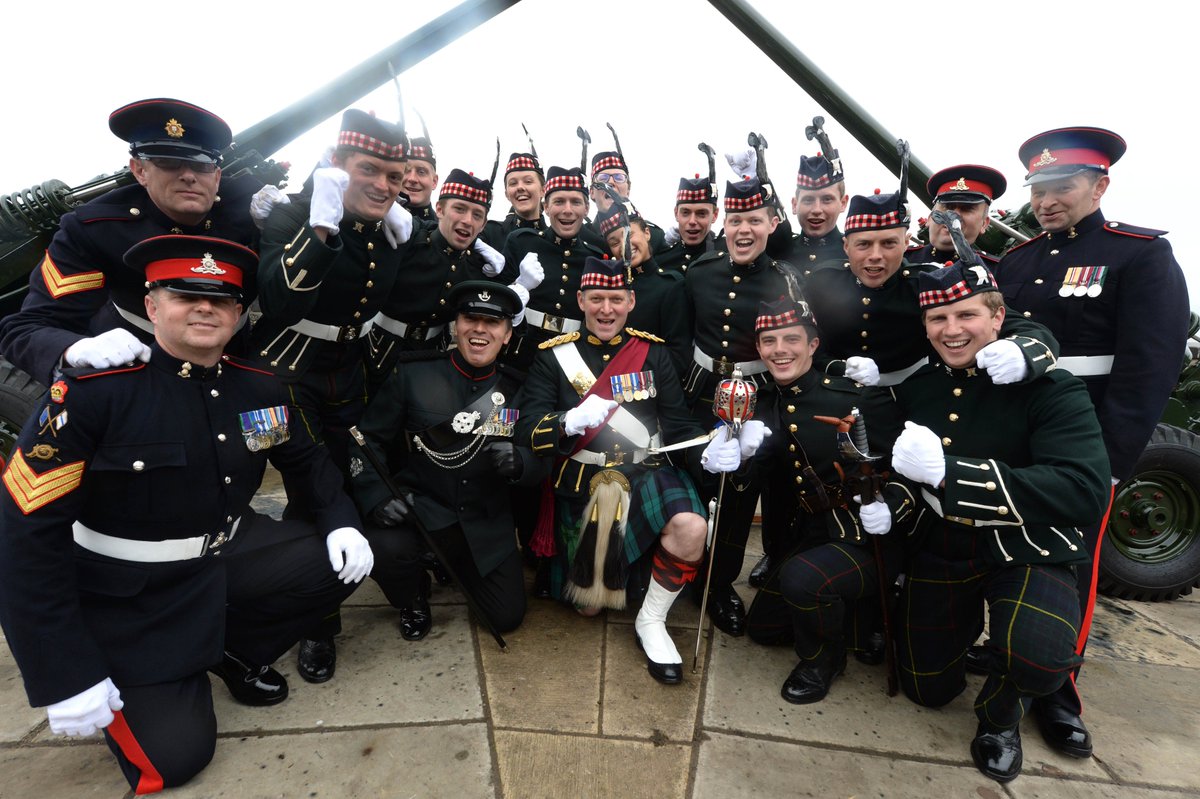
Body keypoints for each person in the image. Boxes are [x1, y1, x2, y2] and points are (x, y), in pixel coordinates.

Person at [0, 235, 373, 794]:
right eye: (185, 295)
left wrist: (341, 519)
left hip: (222, 555)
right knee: (176, 759)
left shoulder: (258, 388)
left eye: (221, 299)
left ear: (238, 314)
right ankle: (158, 663)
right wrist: (64, 672)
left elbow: (307, 461)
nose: (205, 308)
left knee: (339, 564)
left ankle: (227, 649)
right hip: (129, 594)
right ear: (152, 307)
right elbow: (24, 535)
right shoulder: (94, 392)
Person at [995, 126, 1190, 761]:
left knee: (1073, 570)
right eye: (1039, 190)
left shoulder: (1139, 256)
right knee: (1000, 556)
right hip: (1011, 437)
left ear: (1100, 186)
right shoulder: (1018, 260)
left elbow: (1148, 368)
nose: (1047, 201)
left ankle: (1058, 691)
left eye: (1063, 187)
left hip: (1081, 444)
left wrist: (1108, 460)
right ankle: (1004, 662)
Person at [889, 259, 1110, 783]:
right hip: (945, 544)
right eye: (938, 318)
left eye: (966, 315)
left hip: (1027, 546)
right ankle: (971, 635)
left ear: (997, 317)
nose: (952, 330)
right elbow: (896, 468)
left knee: (1039, 656)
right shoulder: (920, 388)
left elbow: (1084, 489)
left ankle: (1003, 716)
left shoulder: (1052, 387)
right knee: (925, 688)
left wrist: (953, 475)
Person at [515, 256, 746, 684]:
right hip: (582, 484)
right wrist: (567, 422)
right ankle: (627, 573)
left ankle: (651, 620)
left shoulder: (654, 354)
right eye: (596, 298)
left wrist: (708, 453)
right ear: (580, 300)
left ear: (631, 301)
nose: (606, 309)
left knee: (692, 527)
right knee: (588, 608)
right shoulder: (554, 357)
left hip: (646, 473)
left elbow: (678, 425)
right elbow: (527, 428)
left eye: (616, 299)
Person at [250, 108, 411, 684]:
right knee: (310, 490)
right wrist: (319, 232)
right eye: (369, 169)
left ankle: (396, 582)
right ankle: (317, 624)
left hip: (352, 370)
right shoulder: (293, 213)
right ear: (337, 163)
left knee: (357, 475)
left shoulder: (387, 229)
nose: (384, 186)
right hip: (287, 374)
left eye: (395, 177)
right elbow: (281, 300)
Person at [0, 97, 262, 385]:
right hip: (140, 373)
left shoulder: (250, 209)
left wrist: (284, 224)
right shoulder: (96, 229)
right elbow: (28, 327)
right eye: (168, 162)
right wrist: (74, 349)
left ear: (217, 176)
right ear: (140, 171)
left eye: (201, 166)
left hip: (239, 368)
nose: (188, 176)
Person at [743, 297, 911, 703]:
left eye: (791, 339)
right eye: (769, 341)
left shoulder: (855, 398)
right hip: (814, 530)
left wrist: (891, 507)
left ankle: (824, 659)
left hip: (867, 535)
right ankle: (851, 615)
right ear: (759, 349)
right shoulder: (765, 400)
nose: (779, 350)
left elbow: (907, 469)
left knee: (802, 580)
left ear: (813, 345)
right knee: (762, 628)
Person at [351, 281, 540, 639]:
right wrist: (376, 497)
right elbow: (368, 439)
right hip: (422, 511)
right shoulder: (413, 373)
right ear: (456, 325)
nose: (480, 330)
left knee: (505, 617)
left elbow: (539, 454)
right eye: (470, 318)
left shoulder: (521, 389)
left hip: (485, 522)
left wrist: (522, 462)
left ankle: (456, 565)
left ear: (507, 335)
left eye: (492, 322)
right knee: (385, 546)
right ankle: (412, 594)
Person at [682, 176, 804, 637]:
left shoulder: (786, 279)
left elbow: (797, 345)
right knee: (697, 480)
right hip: (700, 389)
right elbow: (681, 336)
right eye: (735, 220)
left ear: (773, 223)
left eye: (755, 220)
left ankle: (719, 584)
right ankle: (685, 567)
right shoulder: (700, 272)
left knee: (739, 490)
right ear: (724, 224)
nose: (744, 230)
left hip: (758, 394)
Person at [803, 189, 1057, 388]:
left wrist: (1021, 351)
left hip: (912, 394)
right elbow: (806, 339)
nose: (876, 255)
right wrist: (838, 367)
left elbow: (1016, 324)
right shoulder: (823, 281)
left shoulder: (927, 281)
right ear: (846, 246)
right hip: (835, 391)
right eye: (864, 244)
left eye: (889, 243)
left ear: (906, 243)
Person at [365, 167, 534, 389]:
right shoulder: (411, 239)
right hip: (378, 351)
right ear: (439, 209)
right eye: (459, 209)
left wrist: (521, 288)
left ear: (483, 225)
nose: (467, 221)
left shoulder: (478, 264)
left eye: (477, 215)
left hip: (433, 358)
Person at [501, 166, 606, 371]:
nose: (567, 210)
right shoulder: (521, 242)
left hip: (572, 357)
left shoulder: (594, 257)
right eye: (558, 202)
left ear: (586, 209)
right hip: (521, 351)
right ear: (546, 207)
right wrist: (518, 285)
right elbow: (499, 299)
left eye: (576, 202)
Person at [596, 198, 689, 373]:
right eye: (614, 243)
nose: (624, 246)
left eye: (629, 235)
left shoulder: (670, 285)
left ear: (647, 232)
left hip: (651, 382)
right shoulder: (606, 285)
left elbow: (677, 355)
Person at [906, 165, 1006, 266]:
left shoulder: (999, 271)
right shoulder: (901, 259)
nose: (953, 216)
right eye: (947, 207)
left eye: (966, 209)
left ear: (984, 224)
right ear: (929, 219)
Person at [779, 151, 849, 277]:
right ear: (794, 205)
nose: (817, 210)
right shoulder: (779, 250)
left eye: (827, 199)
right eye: (808, 200)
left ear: (843, 203)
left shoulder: (854, 255)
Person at [655, 169, 721, 274]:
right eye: (685, 213)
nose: (692, 221)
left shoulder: (728, 255)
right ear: (676, 213)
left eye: (701, 213)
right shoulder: (660, 260)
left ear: (715, 215)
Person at [482, 150, 547, 247]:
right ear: (507, 194)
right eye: (513, 183)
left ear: (543, 190)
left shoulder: (554, 240)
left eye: (528, 181)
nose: (520, 187)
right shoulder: (489, 234)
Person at [402, 132, 439, 223]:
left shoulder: (444, 229)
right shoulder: (375, 220)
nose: (412, 179)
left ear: (434, 182)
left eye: (421, 172)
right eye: (405, 170)